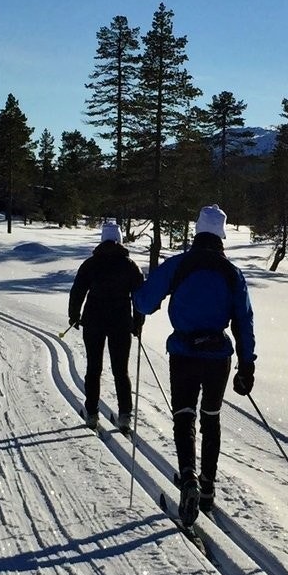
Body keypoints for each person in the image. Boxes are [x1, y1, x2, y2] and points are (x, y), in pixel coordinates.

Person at [133, 204, 255, 526]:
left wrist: (141, 302)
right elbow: (243, 321)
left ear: (197, 231)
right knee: (211, 419)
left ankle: (188, 477)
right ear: (222, 235)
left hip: (185, 353)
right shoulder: (231, 273)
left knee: (184, 416)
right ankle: (208, 487)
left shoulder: (180, 264)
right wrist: (246, 366)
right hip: (218, 357)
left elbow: (144, 301)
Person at [68, 221, 144, 431]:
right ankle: (125, 415)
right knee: (121, 370)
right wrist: (138, 323)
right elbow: (139, 298)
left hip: (94, 321)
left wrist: (74, 315)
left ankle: (92, 413)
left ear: (102, 239)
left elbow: (77, 291)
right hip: (120, 322)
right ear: (119, 239)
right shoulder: (130, 265)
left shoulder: (90, 264)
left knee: (94, 368)